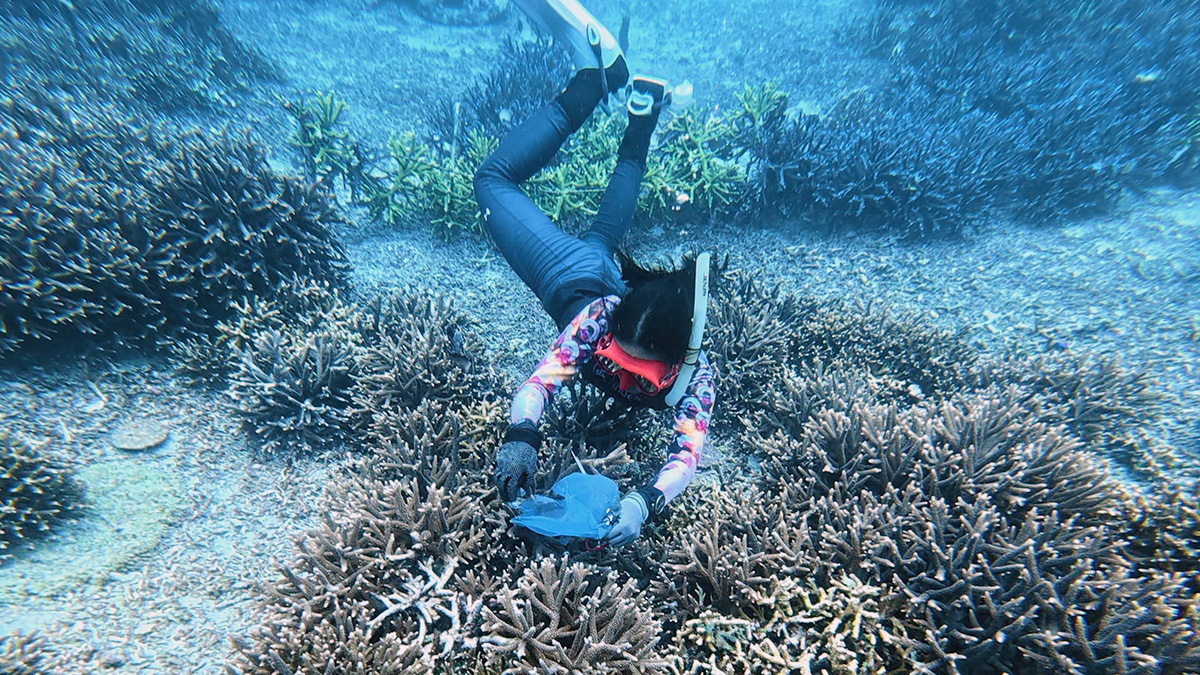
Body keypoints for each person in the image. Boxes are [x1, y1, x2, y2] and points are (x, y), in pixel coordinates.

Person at [473, 0, 716, 547]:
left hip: (605, 272)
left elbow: (688, 454)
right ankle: (597, 82)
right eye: (617, 356)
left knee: (602, 234)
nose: (623, 375)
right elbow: (540, 383)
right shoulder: (601, 318)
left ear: (676, 362)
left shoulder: (697, 377)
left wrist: (644, 502)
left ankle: (634, 103)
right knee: (492, 182)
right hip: (577, 281)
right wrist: (522, 435)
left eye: (639, 371)